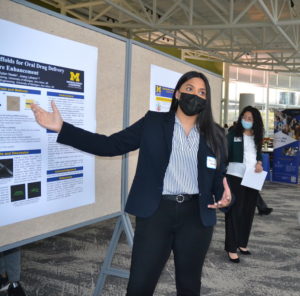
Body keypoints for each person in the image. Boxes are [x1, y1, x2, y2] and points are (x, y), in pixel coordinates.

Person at [31, 71, 232, 296]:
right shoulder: (153, 123)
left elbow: (217, 177)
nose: (195, 95)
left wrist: (224, 196)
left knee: (189, 285)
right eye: (189, 89)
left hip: (196, 216)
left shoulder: (215, 134)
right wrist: (63, 128)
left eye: (202, 92)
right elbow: (110, 145)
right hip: (157, 213)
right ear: (177, 94)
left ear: (207, 99)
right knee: (140, 285)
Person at [225, 106, 264, 263]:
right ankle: (231, 247)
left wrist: (259, 162)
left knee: (248, 212)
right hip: (235, 176)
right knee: (235, 212)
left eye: (250, 118)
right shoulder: (234, 133)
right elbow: (224, 150)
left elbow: (258, 154)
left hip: (253, 177)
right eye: (244, 117)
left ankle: (242, 243)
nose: (246, 120)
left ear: (255, 121)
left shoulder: (257, 136)